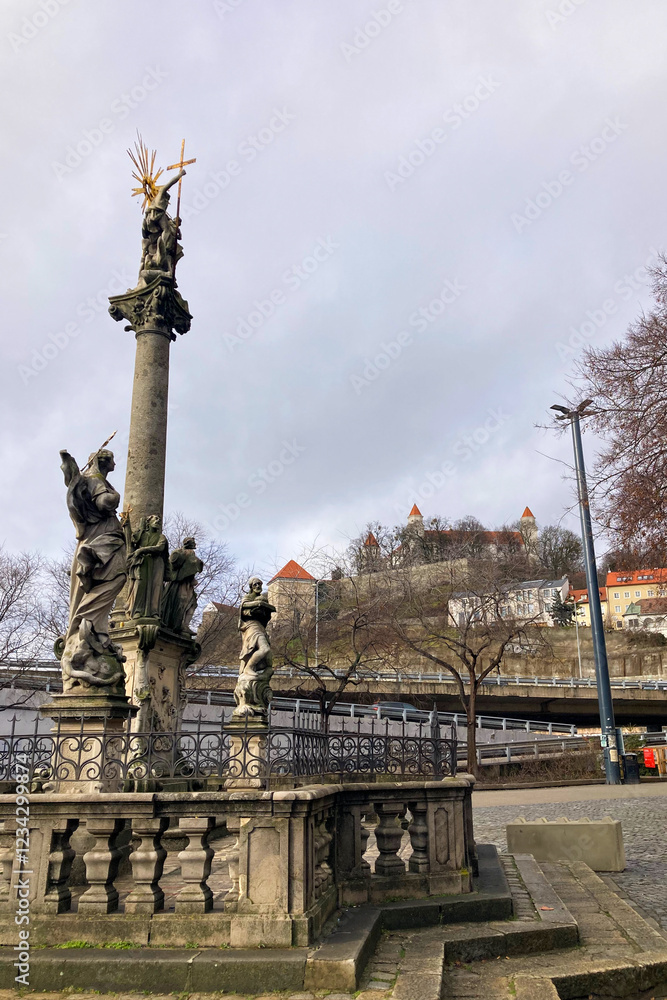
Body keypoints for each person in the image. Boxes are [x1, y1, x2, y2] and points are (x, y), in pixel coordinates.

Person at [59, 448, 127, 690]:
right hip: (104, 543)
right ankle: (87, 632)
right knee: (116, 578)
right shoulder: (96, 481)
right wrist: (115, 496)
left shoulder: (95, 480)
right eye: (112, 460)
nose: (116, 464)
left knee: (112, 581)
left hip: (102, 541)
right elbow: (104, 501)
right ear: (103, 461)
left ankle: (94, 633)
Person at [232, 578, 276, 719]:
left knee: (269, 661)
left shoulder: (262, 598)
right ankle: (248, 668)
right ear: (251, 586)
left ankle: (255, 672)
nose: (258, 587)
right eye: (255, 585)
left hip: (260, 628)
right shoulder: (248, 598)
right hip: (251, 628)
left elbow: (267, 615)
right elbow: (243, 610)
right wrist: (257, 604)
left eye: (260, 584)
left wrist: (262, 606)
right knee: (265, 650)